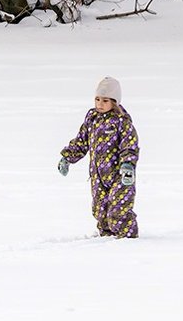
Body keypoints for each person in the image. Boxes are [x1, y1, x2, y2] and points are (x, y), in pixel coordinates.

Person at [58, 76, 140, 238]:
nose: (100, 104)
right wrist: (67, 157)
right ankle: (106, 239)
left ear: (114, 101)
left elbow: (129, 146)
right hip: (98, 176)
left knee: (119, 208)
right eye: (97, 100)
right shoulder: (92, 119)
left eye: (105, 100)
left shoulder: (122, 122)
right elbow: (81, 141)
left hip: (120, 175)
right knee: (99, 209)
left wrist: (128, 166)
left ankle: (128, 239)